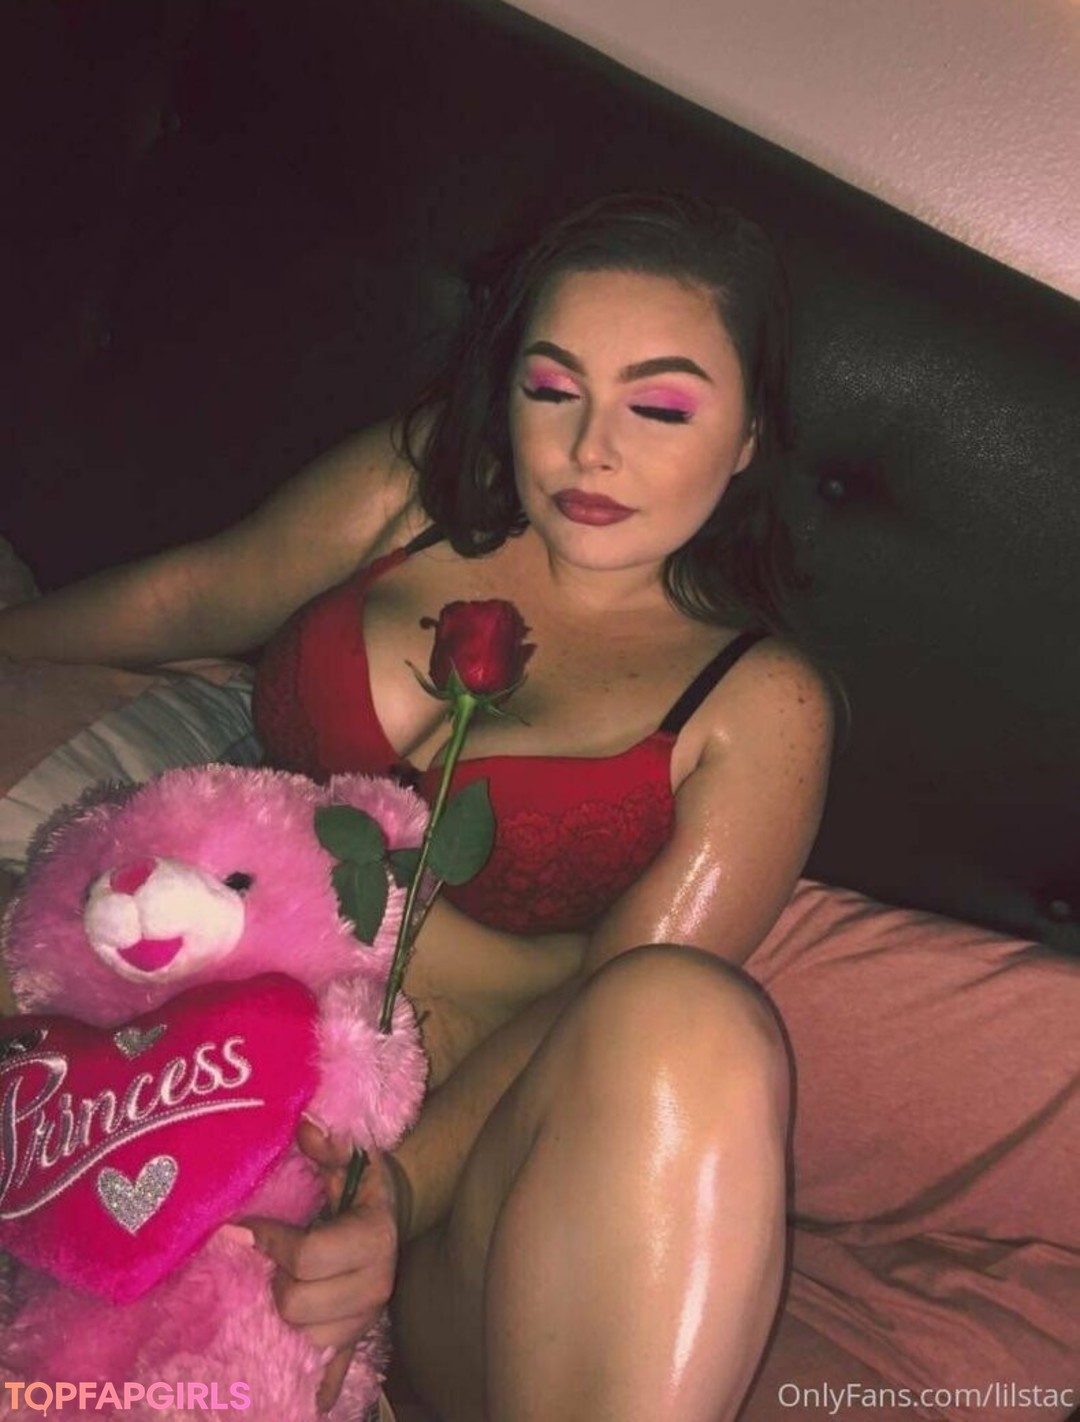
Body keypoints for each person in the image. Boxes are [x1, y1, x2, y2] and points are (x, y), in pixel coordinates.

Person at [1, 193, 1075, 1422]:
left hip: (433, 1203)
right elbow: (186, 598)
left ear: (746, 441)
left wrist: (397, 1196)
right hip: (154, 1080)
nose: (589, 450)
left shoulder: (757, 706)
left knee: (689, 1014)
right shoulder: (415, 492)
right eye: (553, 389)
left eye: (659, 408)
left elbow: (602, 1004)